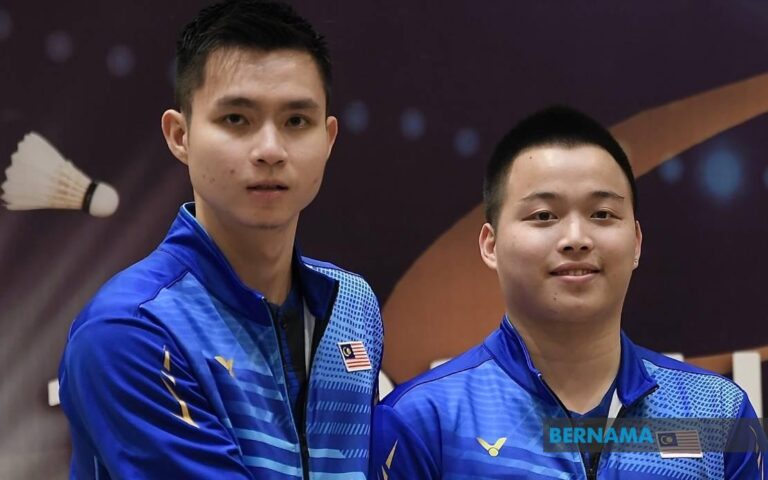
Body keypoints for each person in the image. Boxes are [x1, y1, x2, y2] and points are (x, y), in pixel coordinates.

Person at [58, 1, 382, 478]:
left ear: (329, 139)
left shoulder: (354, 305)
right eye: (236, 119)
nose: (270, 150)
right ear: (180, 135)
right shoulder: (130, 329)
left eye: (296, 121)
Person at [371, 106, 764, 479]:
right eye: (544, 215)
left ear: (637, 242)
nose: (576, 238)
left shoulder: (718, 413)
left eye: (602, 214)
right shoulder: (422, 420)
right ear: (491, 245)